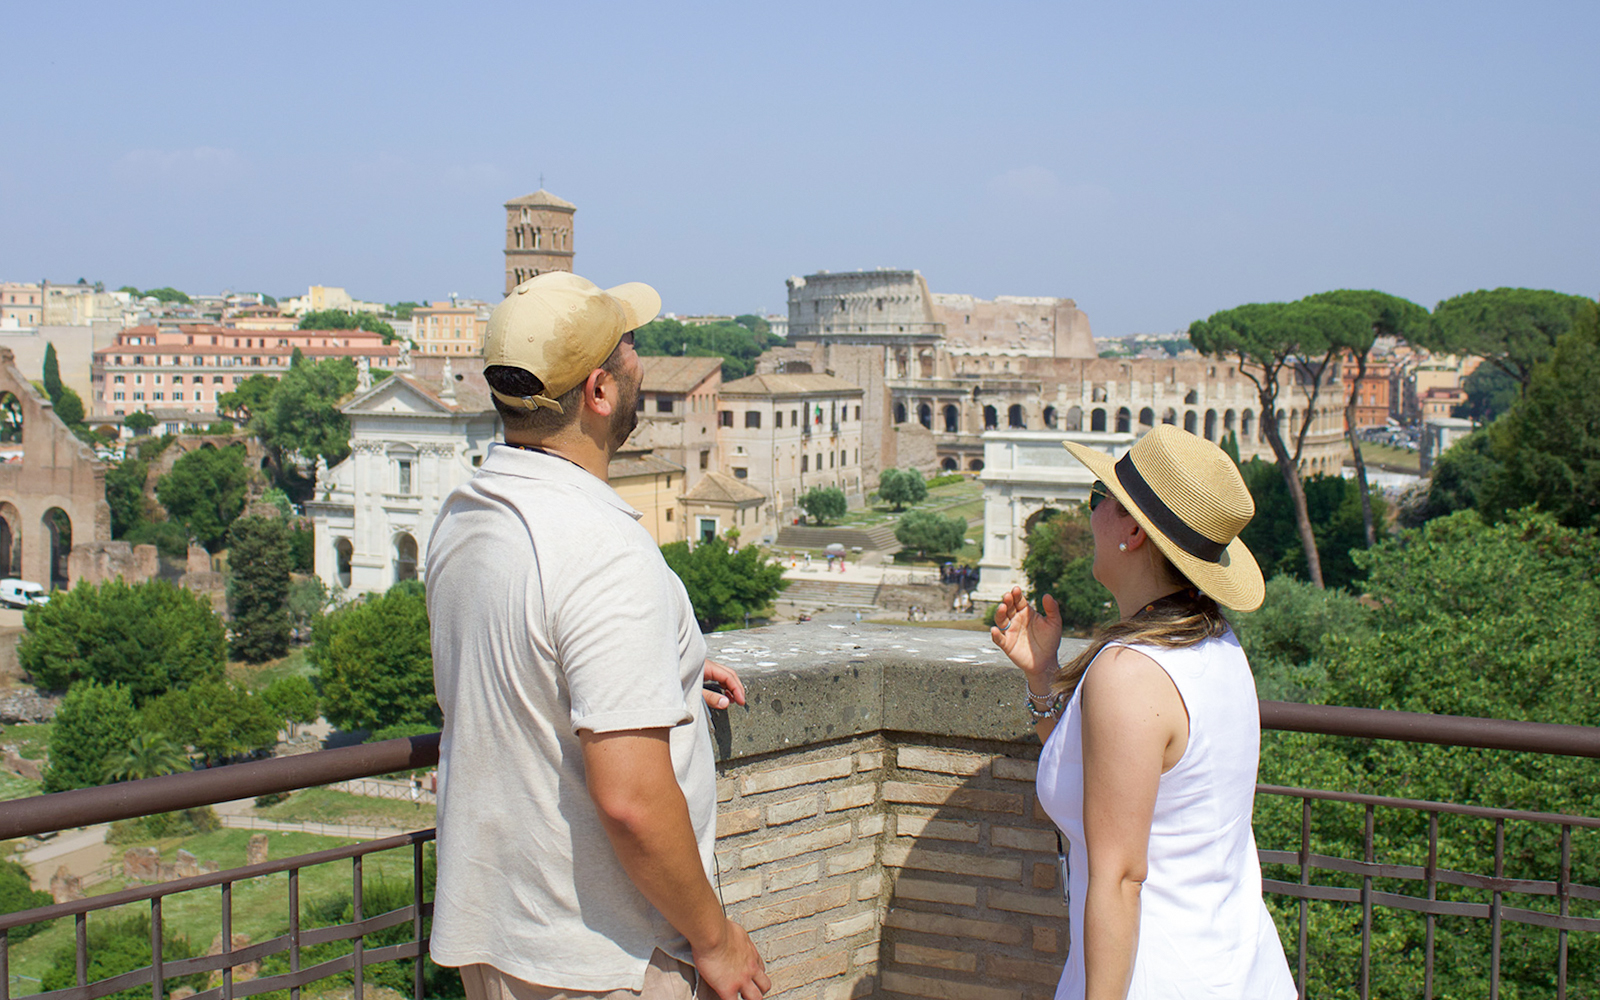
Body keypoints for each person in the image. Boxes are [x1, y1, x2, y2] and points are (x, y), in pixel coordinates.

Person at [426, 272, 769, 1000]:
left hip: (498, 936)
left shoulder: (467, 514)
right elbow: (631, 800)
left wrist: (660, 669)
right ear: (600, 391)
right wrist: (717, 940)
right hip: (602, 961)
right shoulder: (602, 550)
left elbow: (524, 658)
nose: (641, 361)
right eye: (630, 349)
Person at [990, 425, 1294, 999]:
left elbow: (1121, 878)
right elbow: (1118, 778)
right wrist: (1043, 679)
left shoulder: (1130, 672)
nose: (1091, 514)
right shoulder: (1213, 645)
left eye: (1097, 499)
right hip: (1238, 968)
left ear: (1131, 530)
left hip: (1156, 979)